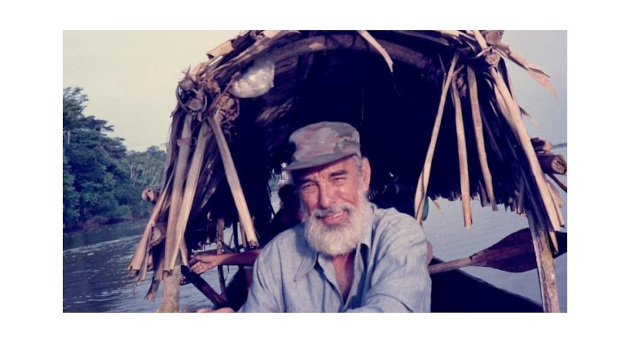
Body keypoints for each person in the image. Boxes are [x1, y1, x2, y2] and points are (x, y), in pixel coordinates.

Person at [210, 121, 431, 312]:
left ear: (364, 177)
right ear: (298, 192)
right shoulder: (276, 257)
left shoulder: (399, 234)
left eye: (337, 179)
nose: (325, 200)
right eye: (309, 185)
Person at [189, 183, 302, 311]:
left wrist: (219, 259)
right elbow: (270, 253)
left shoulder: (298, 232)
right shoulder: (284, 222)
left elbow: (270, 255)